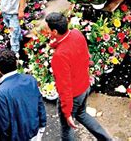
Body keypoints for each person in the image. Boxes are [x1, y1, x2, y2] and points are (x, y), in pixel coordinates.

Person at [45, 12, 112, 141]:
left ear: (54, 31)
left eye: (48, 29)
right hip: (84, 86)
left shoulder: (59, 56)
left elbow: (64, 87)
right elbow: (85, 56)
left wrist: (67, 112)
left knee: (67, 128)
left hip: (74, 95)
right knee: (82, 114)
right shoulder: (76, 33)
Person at [0, 48, 46, 141]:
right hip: (34, 132)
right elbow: (40, 105)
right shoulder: (30, 79)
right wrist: (42, 126)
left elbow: (2, 125)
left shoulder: (0, 93)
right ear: (16, 63)